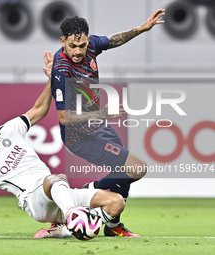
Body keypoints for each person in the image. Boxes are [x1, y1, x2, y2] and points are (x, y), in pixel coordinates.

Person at [0, 53, 125, 239]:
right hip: (35, 200)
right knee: (56, 178)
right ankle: (73, 216)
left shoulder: (8, 130)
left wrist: (52, 78)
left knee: (117, 203)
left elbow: (39, 110)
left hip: (57, 192)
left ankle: (63, 228)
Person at [50, 9, 165, 237]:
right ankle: (83, 194)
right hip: (80, 137)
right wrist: (100, 114)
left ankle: (113, 227)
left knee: (123, 172)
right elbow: (63, 117)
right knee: (136, 168)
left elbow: (113, 40)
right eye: (72, 46)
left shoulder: (90, 44)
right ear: (63, 41)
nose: (78, 51)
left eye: (82, 46)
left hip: (98, 127)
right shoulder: (62, 71)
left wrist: (140, 29)